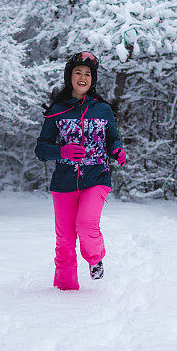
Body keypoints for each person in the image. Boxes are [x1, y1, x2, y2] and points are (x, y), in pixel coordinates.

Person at [35, 51, 127, 291]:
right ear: (70, 77)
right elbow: (41, 149)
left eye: (87, 73)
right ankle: (65, 293)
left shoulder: (103, 110)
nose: (83, 77)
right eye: (78, 73)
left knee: (86, 224)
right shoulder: (57, 110)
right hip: (64, 182)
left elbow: (112, 139)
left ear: (92, 79)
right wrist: (62, 152)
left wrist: (117, 150)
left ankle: (95, 260)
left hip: (96, 177)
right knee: (64, 241)